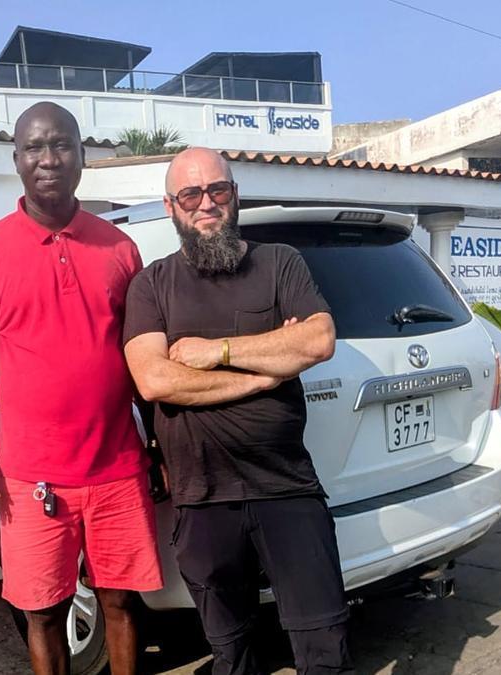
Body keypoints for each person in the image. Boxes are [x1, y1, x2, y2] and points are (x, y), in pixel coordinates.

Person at [0, 102, 161, 675]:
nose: (48, 159)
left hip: (117, 468)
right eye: (35, 148)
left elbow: (140, 356)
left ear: (83, 157)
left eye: (61, 145)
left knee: (121, 602)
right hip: (30, 478)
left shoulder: (120, 248)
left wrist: (158, 443)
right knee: (43, 612)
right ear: (16, 160)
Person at [122, 147, 353, 674]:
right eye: (191, 194)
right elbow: (155, 379)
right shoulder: (152, 285)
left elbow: (318, 340)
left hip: (286, 488)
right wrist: (270, 369)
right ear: (171, 206)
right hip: (202, 500)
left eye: (217, 190)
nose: (207, 203)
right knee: (232, 654)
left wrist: (214, 352)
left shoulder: (280, 263)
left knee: (326, 649)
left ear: (235, 195)